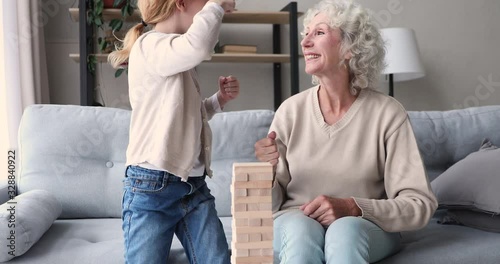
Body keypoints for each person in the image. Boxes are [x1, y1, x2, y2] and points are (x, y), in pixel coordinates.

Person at [254, 0, 438, 263]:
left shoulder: (388, 114)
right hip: (295, 219)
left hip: (363, 224)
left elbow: (420, 205)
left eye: (319, 33)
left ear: (350, 48)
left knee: (345, 230)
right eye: (306, 34)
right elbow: (267, 209)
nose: (305, 42)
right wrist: (266, 171)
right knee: (301, 230)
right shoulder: (289, 111)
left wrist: (354, 207)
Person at [108, 0, 238, 263]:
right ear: (181, 3)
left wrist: (218, 101)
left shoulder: (173, 55)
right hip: (152, 185)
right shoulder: (150, 46)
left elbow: (186, 113)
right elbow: (199, 44)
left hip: (193, 186)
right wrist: (217, 4)